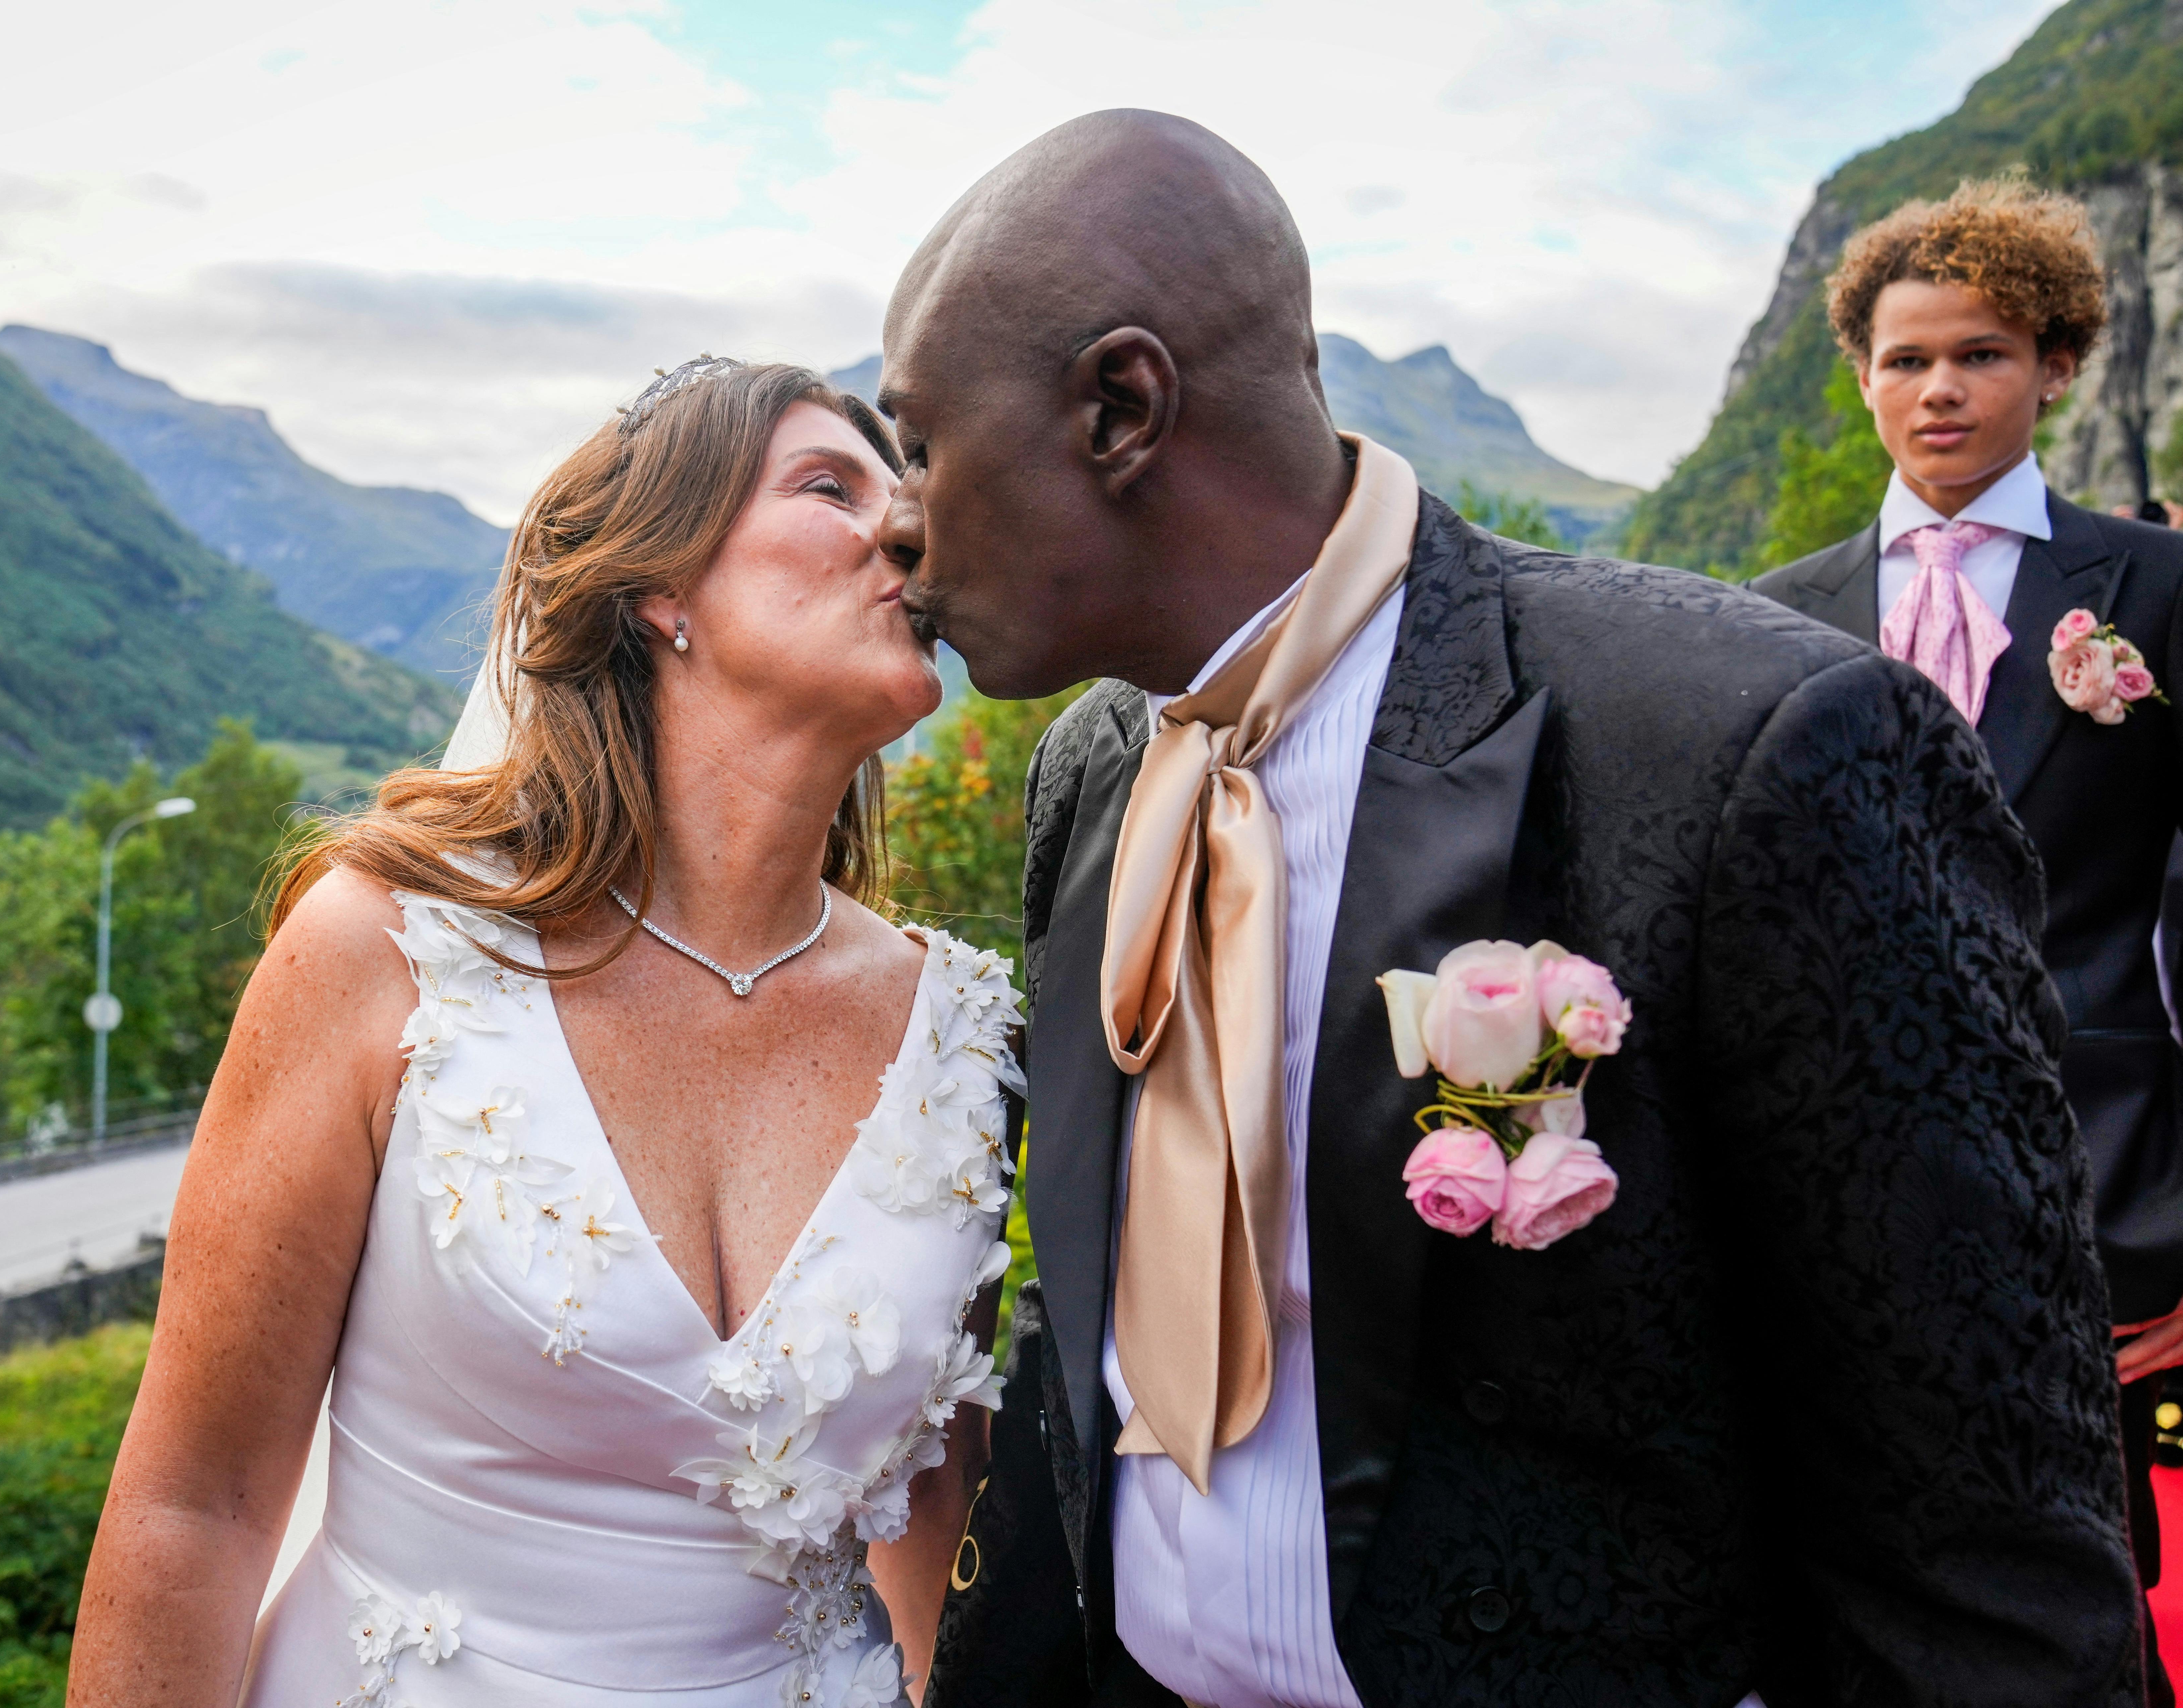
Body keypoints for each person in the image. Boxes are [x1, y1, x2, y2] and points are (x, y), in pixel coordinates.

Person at [885, 112, 2141, 1705]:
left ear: (1121, 409)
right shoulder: (1093, 772)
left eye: (921, 441)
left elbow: (1985, 1522)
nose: (900, 515)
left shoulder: (1746, 745)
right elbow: (1090, 1358)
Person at [67, 360, 1022, 1706]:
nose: (906, 529)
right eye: (829, 486)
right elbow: (194, 1506)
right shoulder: (383, 954)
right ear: (659, 588)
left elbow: (938, 1511)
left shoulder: (965, 1034)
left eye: (905, 494)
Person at [1752, 176, 2183, 1700]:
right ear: (1861, 373)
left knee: (2105, 1589)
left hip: (2114, 1191)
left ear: (2057, 365)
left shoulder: (2164, 592)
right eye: (1905, 358)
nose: (1940, 389)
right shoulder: (1772, 617)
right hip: (1841, 1199)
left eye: (1983, 353)